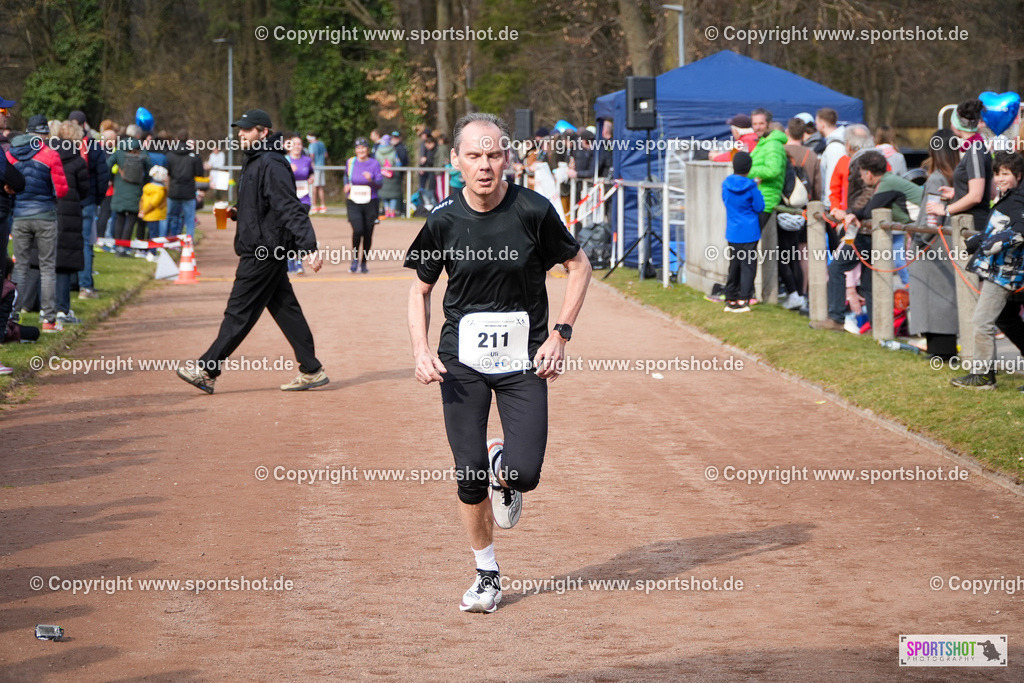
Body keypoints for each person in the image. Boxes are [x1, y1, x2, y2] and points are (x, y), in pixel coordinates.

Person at [405, 112, 592, 613]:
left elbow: (579, 265)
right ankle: (486, 574)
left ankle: (502, 467)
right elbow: (420, 291)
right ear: (455, 161)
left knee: (525, 472)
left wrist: (561, 333)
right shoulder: (442, 219)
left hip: (523, 361)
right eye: (474, 155)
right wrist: (422, 351)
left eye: (494, 155)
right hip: (460, 362)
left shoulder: (533, 210)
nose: (485, 166)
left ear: (506, 157)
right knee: (467, 476)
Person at [175, 109, 328, 394]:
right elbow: (262, 206)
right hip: (263, 248)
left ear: (264, 132)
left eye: (246, 130)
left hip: (263, 251)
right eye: (240, 130)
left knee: (238, 311)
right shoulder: (257, 160)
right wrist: (236, 213)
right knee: (285, 309)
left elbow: (289, 207)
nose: (240, 134)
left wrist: (308, 246)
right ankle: (312, 369)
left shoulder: (271, 162)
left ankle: (206, 369)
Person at [950, 151, 1024, 389]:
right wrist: (975, 242)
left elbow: (1019, 231)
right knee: (1006, 319)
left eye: (1006, 174)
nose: (1000, 178)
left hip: (1004, 273)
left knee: (982, 321)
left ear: (1019, 176)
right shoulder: (1007, 197)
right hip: (1000, 271)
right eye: (997, 174)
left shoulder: (1017, 200)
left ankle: (982, 375)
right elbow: (1000, 229)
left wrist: (989, 245)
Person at [6, 114, 68, 332]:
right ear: (44, 134)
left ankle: (11, 317)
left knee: (20, 267)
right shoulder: (50, 154)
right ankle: (48, 320)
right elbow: (61, 189)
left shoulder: (11, 154)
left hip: (20, 216)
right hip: (45, 216)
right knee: (47, 267)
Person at [909, 129, 960, 359]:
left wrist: (918, 240)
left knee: (933, 301)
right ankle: (942, 350)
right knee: (945, 300)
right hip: (946, 247)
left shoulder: (937, 179)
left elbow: (930, 220)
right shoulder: (954, 176)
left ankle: (939, 352)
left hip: (933, 250)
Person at [51, 121, 89, 321]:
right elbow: (85, 189)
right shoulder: (77, 160)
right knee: (64, 263)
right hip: (70, 211)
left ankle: (45, 308)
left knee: (47, 261)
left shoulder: (47, 154)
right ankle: (62, 308)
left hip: (50, 208)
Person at [70, 110, 108, 299]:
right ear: (85, 125)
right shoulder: (94, 146)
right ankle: (86, 286)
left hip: (66, 201)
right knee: (86, 243)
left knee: (67, 242)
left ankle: (70, 284)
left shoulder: (61, 145)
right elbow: (103, 175)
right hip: (88, 200)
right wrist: (97, 198)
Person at [721, 151, 765, 313]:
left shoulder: (726, 184)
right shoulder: (751, 186)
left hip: (733, 231)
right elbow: (760, 207)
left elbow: (725, 201)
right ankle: (743, 299)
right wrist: (756, 187)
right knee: (748, 266)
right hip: (750, 231)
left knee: (734, 264)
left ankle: (730, 297)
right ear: (749, 167)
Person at [106, 127, 152, 256]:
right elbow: (149, 170)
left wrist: (112, 179)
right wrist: (145, 183)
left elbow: (107, 165)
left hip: (120, 188)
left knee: (120, 218)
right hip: (136, 190)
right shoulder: (142, 153)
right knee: (131, 220)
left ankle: (117, 247)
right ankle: (124, 248)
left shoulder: (119, 152)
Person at [344, 137, 383, 273]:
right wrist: (346, 185)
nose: (361, 150)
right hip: (353, 201)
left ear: (367, 149)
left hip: (371, 201)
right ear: (355, 150)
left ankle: (364, 263)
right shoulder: (351, 162)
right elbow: (346, 175)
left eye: (363, 147)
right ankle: (354, 260)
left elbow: (379, 183)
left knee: (368, 233)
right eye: (358, 147)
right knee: (358, 230)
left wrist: (371, 180)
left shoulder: (374, 163)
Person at [164, 131, 204, 239]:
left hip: (174, 190)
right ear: (187, 140)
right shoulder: (194, 155)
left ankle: (166, 240)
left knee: (169, 216)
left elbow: (166, 171)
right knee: (189, 218)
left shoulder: (170, 154)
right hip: (188, 191)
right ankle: (188, 243)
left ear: (177, 139)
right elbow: (200, 172)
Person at [285, 132, 314, 274]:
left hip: (304, 198)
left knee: (300, 228)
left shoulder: (307, 160)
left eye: (299, 144)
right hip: (289, 199)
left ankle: (299, 261)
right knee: (289, 230)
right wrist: (289, 171)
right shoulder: (284, 160)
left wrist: (311, 178)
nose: (297, 146)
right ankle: (289, 258)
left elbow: (311, 173)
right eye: (294, 144)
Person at [139, 165, 168, 259]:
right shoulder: (160, 190)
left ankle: (147, 250)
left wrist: (142, 211)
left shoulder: (147, 187)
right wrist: (145, 211)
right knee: (154, 234)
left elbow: (142, 200)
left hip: (147, 214)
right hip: (155, 215)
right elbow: (154, 203)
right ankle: (152, 252)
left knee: (150, 232)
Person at [374, 134, 402, 219]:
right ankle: (392, 212)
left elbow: (375, 163)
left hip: (381, 175)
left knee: (384, 194)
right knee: (393, 195)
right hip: (393, 176)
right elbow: (398, 164)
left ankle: (386, 211)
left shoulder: (378, 152)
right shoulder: (393, 150)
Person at [307, 133, 328, 214]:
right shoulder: (322, 144)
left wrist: (311, 164)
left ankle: (314, 205)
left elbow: (312, 155)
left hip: (315, 167)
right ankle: (323, 205)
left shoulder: (312, 145)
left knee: (314, 187)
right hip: (322, 166)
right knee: (320, 187)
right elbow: (326, 155)